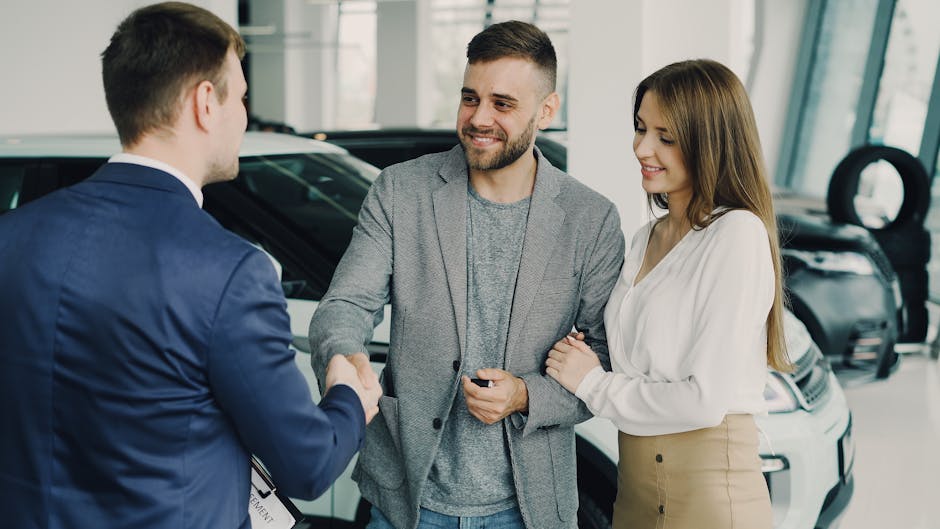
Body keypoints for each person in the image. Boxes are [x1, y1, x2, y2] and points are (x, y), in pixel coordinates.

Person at [0, 3, 380, 529]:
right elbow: (307, 464)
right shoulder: (229, 270)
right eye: (241, 98)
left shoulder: (10, 237)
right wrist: (349, 399)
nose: (244, 116)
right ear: (206, 102)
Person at [309, 20, 625, 529]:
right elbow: (346, 306)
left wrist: (524, 394)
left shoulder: (591, 220)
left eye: (503, 104)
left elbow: (606, 360)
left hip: (527, 507)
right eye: (469, 97)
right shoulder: (399, 192)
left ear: (547, 110)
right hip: (404, 499)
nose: (479, 118)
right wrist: (343, 360)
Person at [545, 59, 791, 529]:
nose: (642, 148)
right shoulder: (645, 238)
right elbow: (633, 362)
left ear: (710, 141)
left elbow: (703, 400)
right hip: (635, 492)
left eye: (666, 136)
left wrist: (592, 383)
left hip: (710, 500)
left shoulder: (736, 233)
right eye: (640, 129)